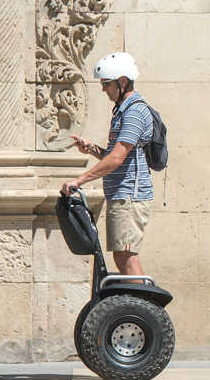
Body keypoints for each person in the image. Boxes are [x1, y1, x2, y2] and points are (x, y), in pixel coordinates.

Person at [62, 51, 155, 277]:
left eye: (106, 84)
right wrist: (91, 149)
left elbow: (116, 159)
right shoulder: (124, 110)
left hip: (129, 196)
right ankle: (135, 299)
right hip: (122, 195)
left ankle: (140, 300)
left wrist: (79, 181)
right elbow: (116, 156)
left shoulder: (134, 112)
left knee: (126, 256)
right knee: (122, 256)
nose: (103, 89)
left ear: (122, 82)